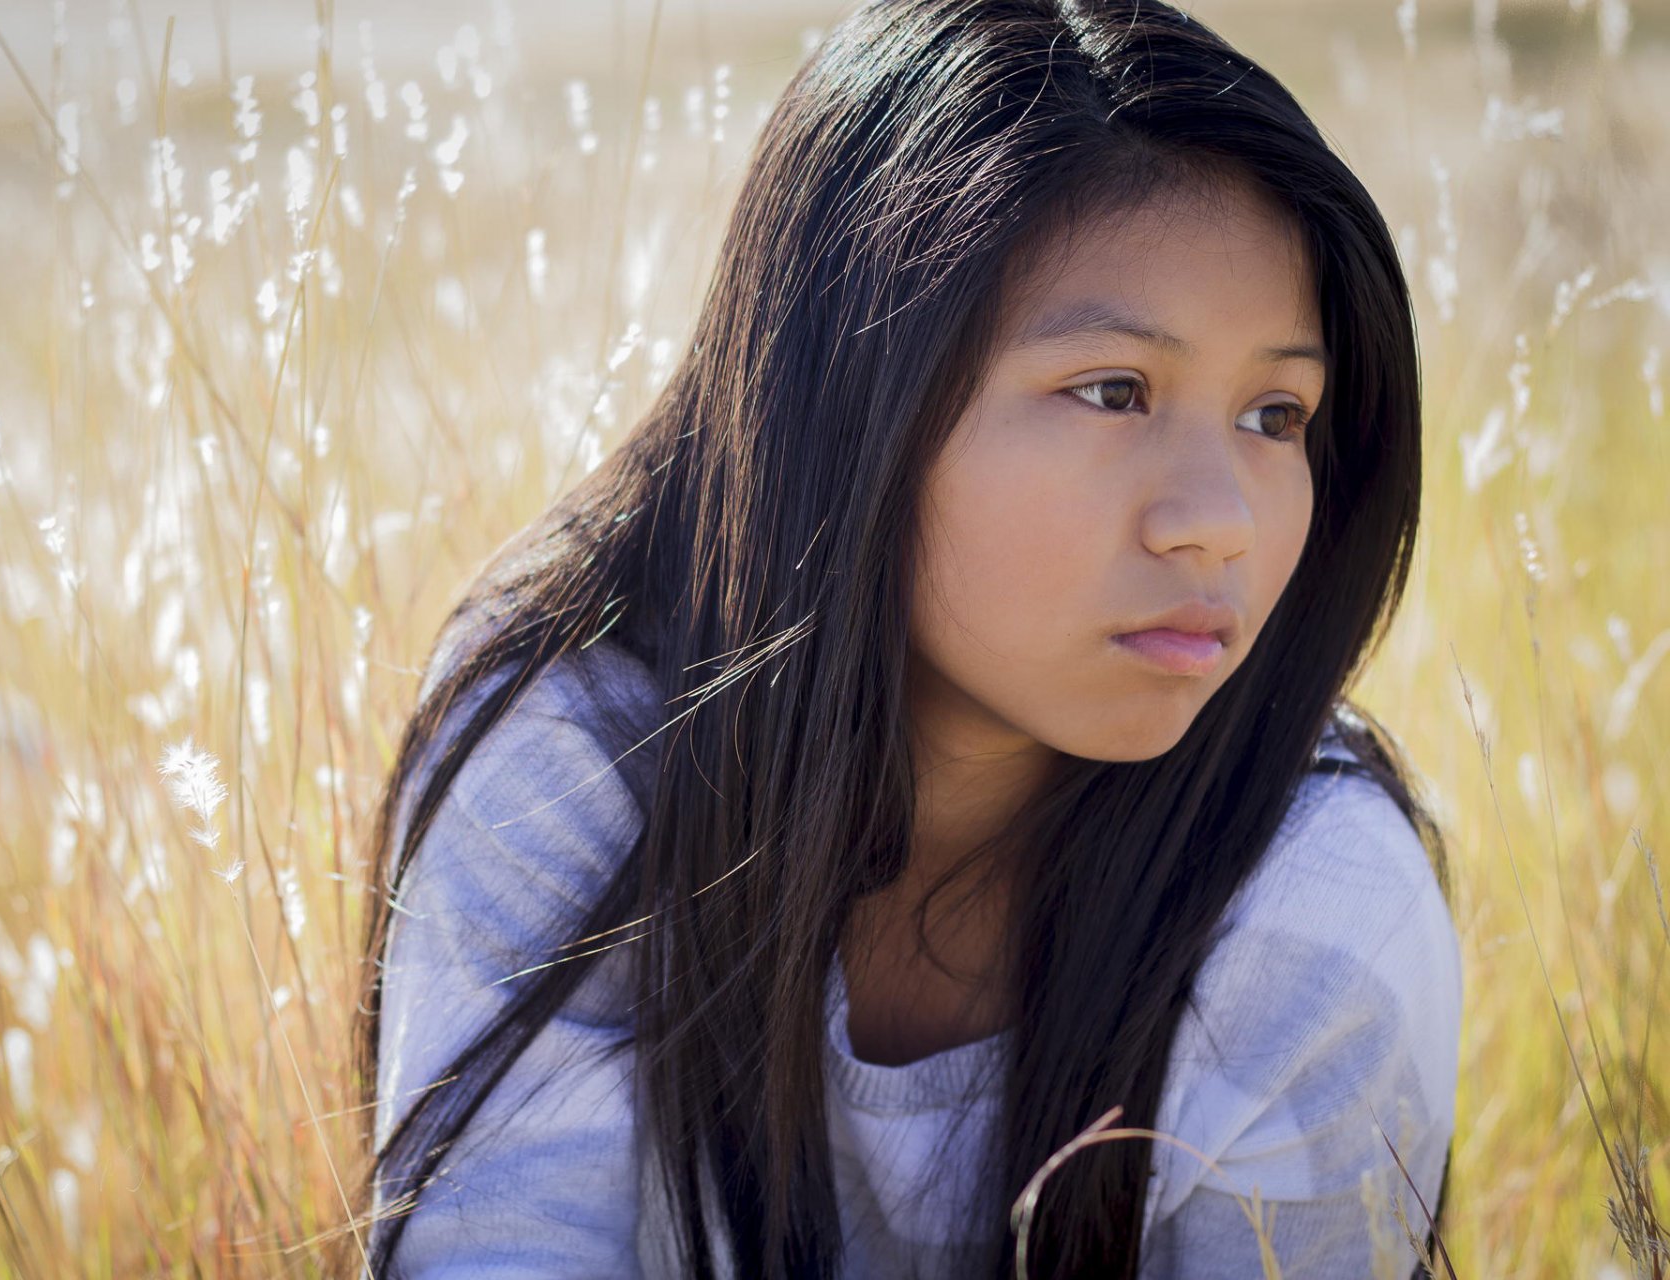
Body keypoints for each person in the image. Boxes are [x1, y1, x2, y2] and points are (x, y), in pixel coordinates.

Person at [354, 0, 1463, 1275]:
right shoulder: (579, 754)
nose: (1218, 523)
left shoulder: (1316, 896)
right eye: (1113, 390)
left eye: (1277, 414)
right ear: (853, 398)